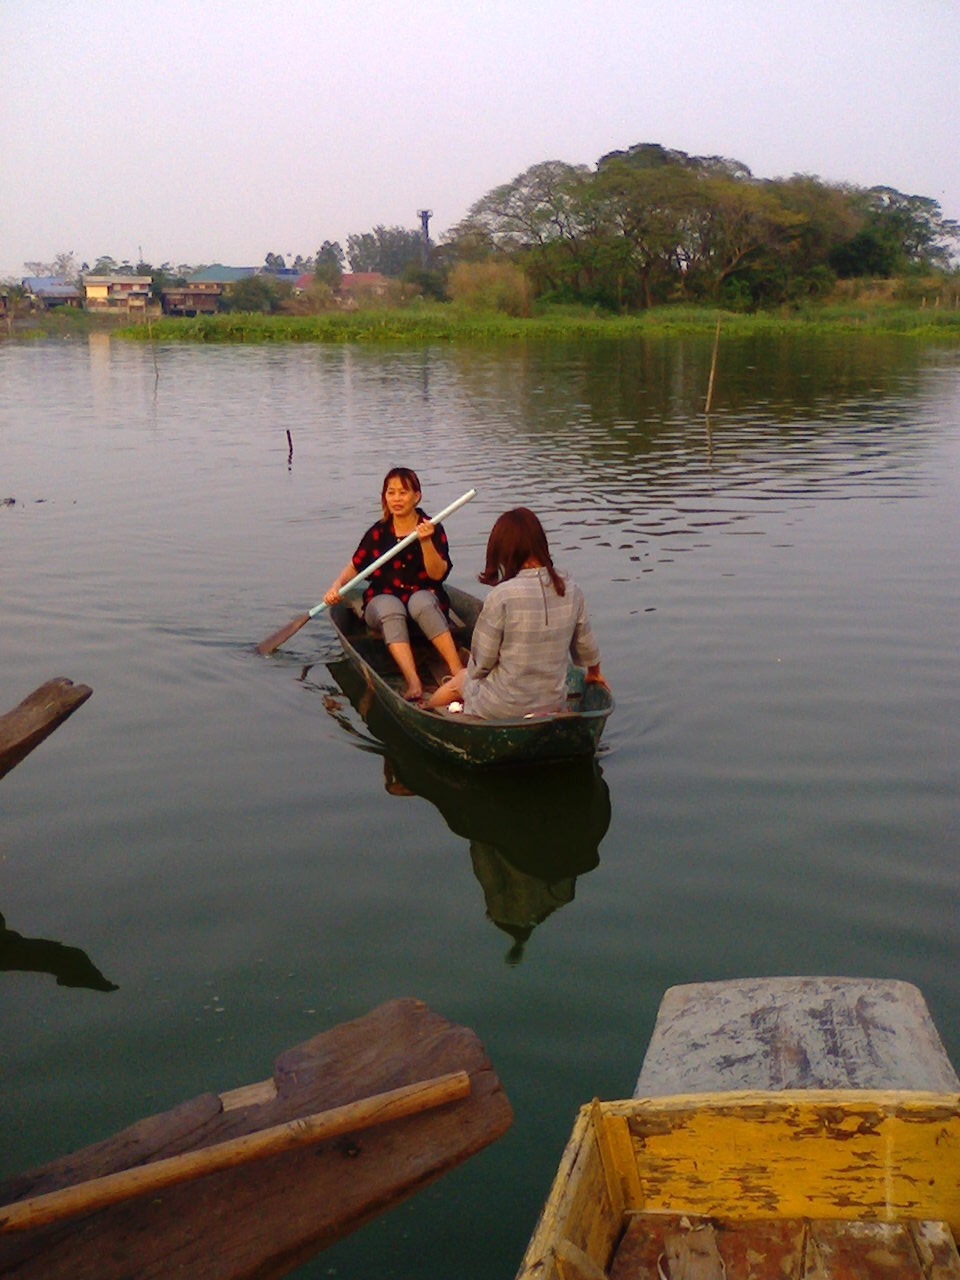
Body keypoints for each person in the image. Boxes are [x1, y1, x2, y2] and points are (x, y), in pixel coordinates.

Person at [427, 507, 607, 718]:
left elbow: (481, 665)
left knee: (458, 682)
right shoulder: (571, 589)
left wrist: (469, 676)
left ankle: (426, 710)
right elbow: (587, 648)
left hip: (502, 707)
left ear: (504, 550)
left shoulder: (502, 596)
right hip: (552, 702)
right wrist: (594, 674)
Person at [323, 467, 463, 701]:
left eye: (403, 492)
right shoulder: (378, 532)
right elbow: (355, 566)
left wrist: (426, 541)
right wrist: (336, 587)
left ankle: (458, 671)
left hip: (424, 596)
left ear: (416, 496)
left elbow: (438, 575)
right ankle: (413, 682)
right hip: (383, 599)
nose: (396, 499)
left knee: (421, 601)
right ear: (384, 497)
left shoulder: (431, 527)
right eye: (391, 493)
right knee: (391, 608)